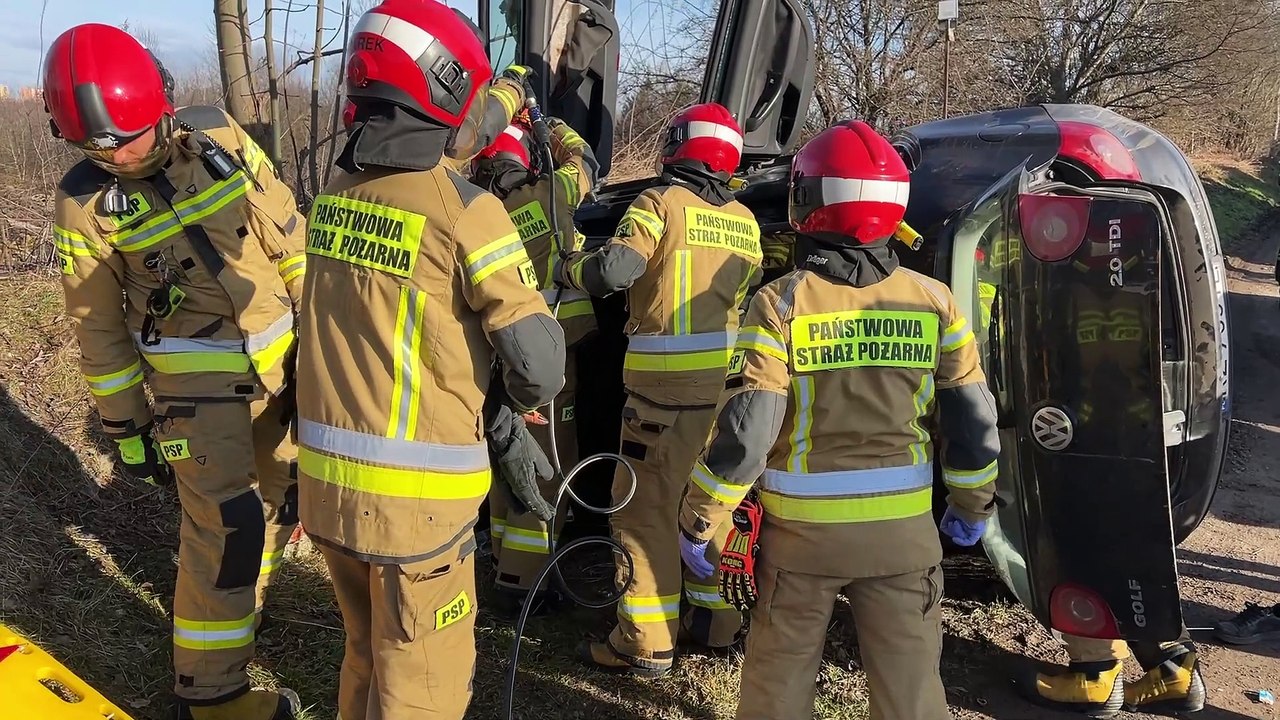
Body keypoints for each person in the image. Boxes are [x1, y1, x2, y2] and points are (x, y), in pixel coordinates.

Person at [677, 119, 1002, 720]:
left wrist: (702, 519)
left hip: (801, 543)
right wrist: (971, 508)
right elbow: (973, 422)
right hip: (903, 539)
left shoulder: (781, 302)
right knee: (912, 692)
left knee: (777, 683)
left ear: (812, 202)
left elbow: (748, 431)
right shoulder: (936, 302)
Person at [293, 1, 565, 719]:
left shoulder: (334, 196)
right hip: (416, 514)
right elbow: (539, 366)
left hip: (331, 493)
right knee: (425, 690)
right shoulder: (467, 211)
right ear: (445, 89)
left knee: (366, 656)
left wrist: (512, 87)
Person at [43, 23, 305, 720]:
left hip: (283, 365)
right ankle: (211, 694)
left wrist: (316, 334)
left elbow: (288, 230)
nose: (127, 156)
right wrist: (127, 428)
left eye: (136, 136)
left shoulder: (219, 133)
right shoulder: (83, 205)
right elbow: (97, 329)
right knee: (227, 524)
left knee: (277, 498)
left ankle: (241, 620)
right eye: (106, 148)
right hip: (197, 393)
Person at [555, 102, 763, 676]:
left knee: (642, 517)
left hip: (660, 402)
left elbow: (614, 271)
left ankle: (644, 643)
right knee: (705, 513)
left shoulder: (658, 204)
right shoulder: (744, 221)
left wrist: (572, 267)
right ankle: (717, 623)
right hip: (722, 399)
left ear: (677, 148)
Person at [471, 119, 600, 612]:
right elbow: (585, 161)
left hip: (499, 352)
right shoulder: (550, 194)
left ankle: (507, 563)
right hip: (550, 351)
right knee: (546, 463)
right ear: (525, 163)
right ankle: (528, 582)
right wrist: (552, 126)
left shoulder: (480, 211)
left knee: (508, 453)